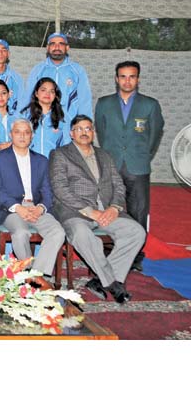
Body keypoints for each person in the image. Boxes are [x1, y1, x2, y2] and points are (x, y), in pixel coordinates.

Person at [48, 115, 145, 303]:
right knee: (81, 234)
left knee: (136, 232)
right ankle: (112, 282)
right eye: (80, 129)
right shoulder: (60, 154)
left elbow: (118, 184)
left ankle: (99, 281)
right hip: (75, 211)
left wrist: (115, 208)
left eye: (88, 129)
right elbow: (60, 189)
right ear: (71, 133)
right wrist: (90, 211)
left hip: (107, 210)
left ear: (93, 132)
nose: (85, 133)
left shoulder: (104, 155)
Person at [94, 61, 164, 271]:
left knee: (138, 211)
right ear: (116, 79)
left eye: (132, 76)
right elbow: (101, 131)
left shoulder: (150, 105)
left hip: (138, 166)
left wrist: (142, 155)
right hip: (111, 165)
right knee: (109, 210)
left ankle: (135, 257)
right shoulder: (104, 103)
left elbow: (155, 135)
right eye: (123, 76)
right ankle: (111, 249)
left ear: (138, 79)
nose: (127, 80)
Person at [0, 119, 66, 279]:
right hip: (11, 210)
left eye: (26, 132)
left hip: (37, 208)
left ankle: (34, 277)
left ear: (32, 136)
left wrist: (40, 208)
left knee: (58, 232)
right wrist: (18, 208)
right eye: (18, 132)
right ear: (11, 135)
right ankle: (29, 275)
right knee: (21, 233)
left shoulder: (41, 160)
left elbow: (47, 191)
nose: (22, 136)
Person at [26, 32, 92, 120]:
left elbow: (85, 102)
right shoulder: (38, 70)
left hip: (69, 124)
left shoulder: (78, 71)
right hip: (42, 124)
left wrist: (85, 125)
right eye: (53, 44)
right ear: (47, 47)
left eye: (61, 44)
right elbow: (27, 98)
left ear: (67, 48)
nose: (57, 47)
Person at [21, 77, 71, 157]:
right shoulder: (24, 115)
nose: (47, 94)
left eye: (52, 91)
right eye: (43, 90)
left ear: (55, 95)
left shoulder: (63, 117)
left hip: (54, 164)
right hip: (29, 163)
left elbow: (67, 144)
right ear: (36, 93)